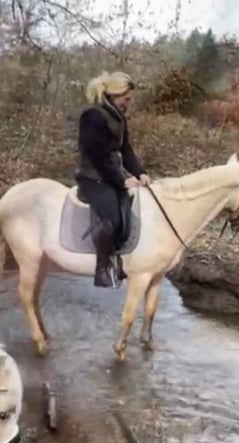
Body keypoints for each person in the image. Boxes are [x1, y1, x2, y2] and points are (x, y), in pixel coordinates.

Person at [75, 71, 151, 288]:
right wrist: (121, 181)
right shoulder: (93, 116)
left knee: (129, 211)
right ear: (115, 94)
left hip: (110, 177)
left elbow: (125, 150)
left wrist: (140, 172)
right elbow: (96, 155)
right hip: (93, 178)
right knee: (112, 220)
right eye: (126, 99)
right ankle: (102, 268)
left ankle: (121, 261)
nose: (128, 103)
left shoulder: (118, 117)